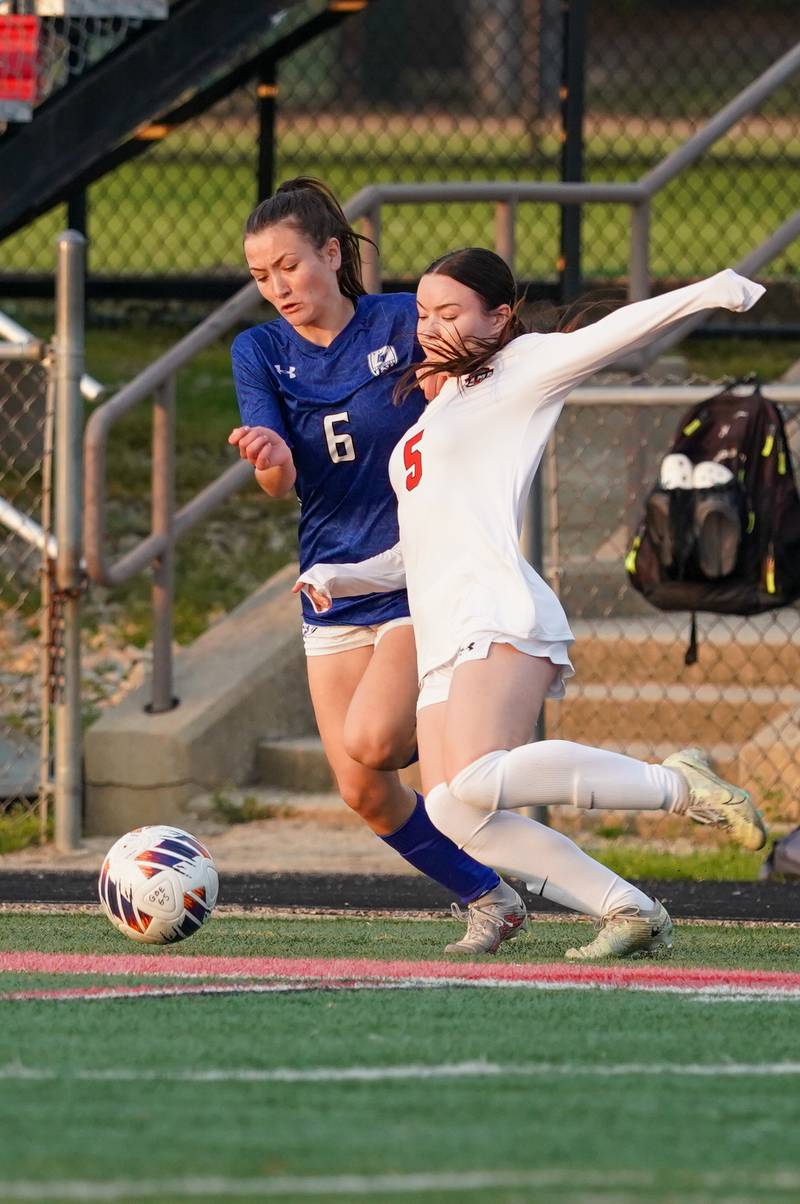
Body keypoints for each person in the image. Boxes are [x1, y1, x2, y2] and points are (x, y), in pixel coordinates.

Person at [295, 250, 768, 959]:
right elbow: (421, 545)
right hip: (443, 631)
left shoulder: (522, 369)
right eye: (423, 313)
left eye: (450, 313)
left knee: (481, 775)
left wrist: (712, 289)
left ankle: (678, 783)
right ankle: (628, 908)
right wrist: (346, 578)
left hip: (498, 611)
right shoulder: (430, 417)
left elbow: (615, 333)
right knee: (455, 808)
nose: (430, 327)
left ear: (499, 316)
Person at [228, 180, 527, 954]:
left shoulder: (402, 320)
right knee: (363, 787)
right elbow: (281, 481)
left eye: (289, 266)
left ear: (331, 253)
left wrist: (454, 380)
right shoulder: (259, 350)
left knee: (377, 740)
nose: (278, 287)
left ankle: (467, 735)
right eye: (262, 277)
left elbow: (486, 382)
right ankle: (489, 896)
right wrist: (268, 457)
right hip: (332, 582)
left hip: (415, 575)